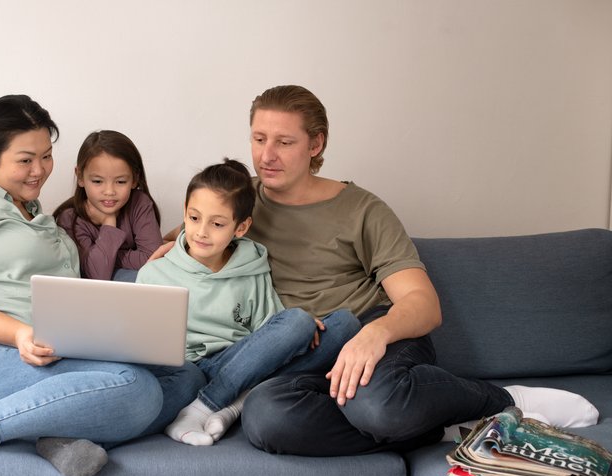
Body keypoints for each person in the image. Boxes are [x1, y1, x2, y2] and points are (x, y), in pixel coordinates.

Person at [237, 85, 600, 456]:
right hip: (305, 354)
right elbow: (192, 236)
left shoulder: (362, 209)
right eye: (259, 138)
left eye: (284, 142)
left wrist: (375, 333)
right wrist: (172, 248)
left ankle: (502, 399)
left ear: (315, 145)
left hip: (376, 333)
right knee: (266, 418)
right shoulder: (236, 202)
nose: (266, 155)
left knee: (378, 406)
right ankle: (430, 427)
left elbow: (422, 303)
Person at [0, 95, 204, 476]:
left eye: (46, 156)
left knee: (186, 376)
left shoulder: (38, 213)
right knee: (135, 388)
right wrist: (20, 333)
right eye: (25, 160)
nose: (39, 170)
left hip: (49, 347)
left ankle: (54, 436)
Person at [137, 159, 361, 446]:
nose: (202, 231)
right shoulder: (155, 272)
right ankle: (214, 405)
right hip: (187, 373)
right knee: (299, 321)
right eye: (194, 218)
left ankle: (225, 406)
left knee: (343, 325)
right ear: (184, 214)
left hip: (240, 366)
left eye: (217, 224)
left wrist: (298, 330)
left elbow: (268, 330)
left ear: (240, 228)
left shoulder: (253, 265)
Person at [53, 130, 163, 282]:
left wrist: (108, 257)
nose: (109, 192)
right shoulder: (70, 219)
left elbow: (154, 258)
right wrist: (109, 223)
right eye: (97, 181)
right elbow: (96, 274)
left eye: (120, 182)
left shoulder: (139, 203)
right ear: (80, 177)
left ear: (134, 179)